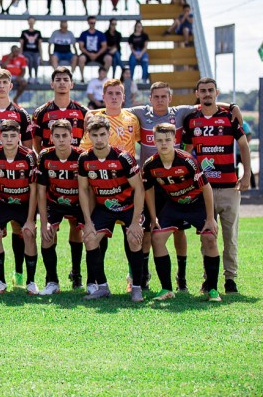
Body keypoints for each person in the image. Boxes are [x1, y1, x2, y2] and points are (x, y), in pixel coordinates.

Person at [182, 78, 251, 294]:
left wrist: (246, 174)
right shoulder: (192, 120)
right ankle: (208, 279)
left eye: (210, 90)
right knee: (207, 236)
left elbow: (244, 145)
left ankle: (230, 279)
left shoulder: (229, 118)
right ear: (197, 94)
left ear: (217, 92)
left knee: (230, 237)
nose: (207, 94)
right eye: (203, 91)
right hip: (205, 189)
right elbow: (186, 151)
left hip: (230, 187)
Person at [143, 123, 221, 302]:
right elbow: (148, 190)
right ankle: (166, 289)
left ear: (175, 141)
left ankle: (213, 290)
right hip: (175, 205)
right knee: (157, 237)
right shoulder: (150, 165)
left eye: (168, 140)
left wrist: (210, 218)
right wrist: (153, 216)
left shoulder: (187, 161)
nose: (164, 144)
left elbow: (207, 188)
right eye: (160, 140)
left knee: (209, 238)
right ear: (154, 141)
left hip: (197, 204)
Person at [78, 116, 146, 301]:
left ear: (109, 134)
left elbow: (139, 189)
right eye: (95, 135)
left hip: (128, 206)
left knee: (134, 239)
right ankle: (102, 287)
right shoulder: (84, 159)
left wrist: (135, 222)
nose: (99, 139)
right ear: (89, 136)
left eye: (102, 134)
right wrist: (88, 222)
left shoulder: (123, 158)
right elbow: (83, 190)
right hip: (104, 208)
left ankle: (137, 288)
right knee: (90, 239)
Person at [0, 119, 39, 294]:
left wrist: (31, 220)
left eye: (13, 136)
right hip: (2, 203)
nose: (9, 139)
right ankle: (1, 281)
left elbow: (34, 189)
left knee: (29, 234)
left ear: (19, 137)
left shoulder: (29, 156)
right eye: (5, 136)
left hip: (23, 204)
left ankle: (30, 282)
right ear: (0, 137)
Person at [36, 119, 86, 294]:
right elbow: (40, 191)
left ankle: (78, 275)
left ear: (72, 136)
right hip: (54, 203)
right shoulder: (45, 156)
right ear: (51, 138)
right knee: (47, 235)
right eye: (57, 136)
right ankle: (52, 281)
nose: (61, 139)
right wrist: (43, 222)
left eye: (65, 135)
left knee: (83, 232)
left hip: (78, 203)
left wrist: (89, 219)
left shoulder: (82, 156)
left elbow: (87, 189)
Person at [32, 66, 88, 151]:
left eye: (66, 80)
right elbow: (36, 141)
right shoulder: (40, 112)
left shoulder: (84, 112)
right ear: (52, 84)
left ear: (72, 84)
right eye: (58, 80)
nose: (62, 83)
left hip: (76, 162)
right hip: (50, 163)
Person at [19, 17, 43, 84]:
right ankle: (30, 76)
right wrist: (20, 55)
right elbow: (21, 44)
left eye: (32, 21)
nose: (31, 23)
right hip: (26, 51)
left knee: (35, 60)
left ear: (34, 22)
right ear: (28, 22)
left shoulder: (38, 32)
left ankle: (36, 76)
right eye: (30, 21)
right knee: (30, 59)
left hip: (35, 51)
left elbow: (40, 45)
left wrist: (41, 56)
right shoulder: (24, 32)